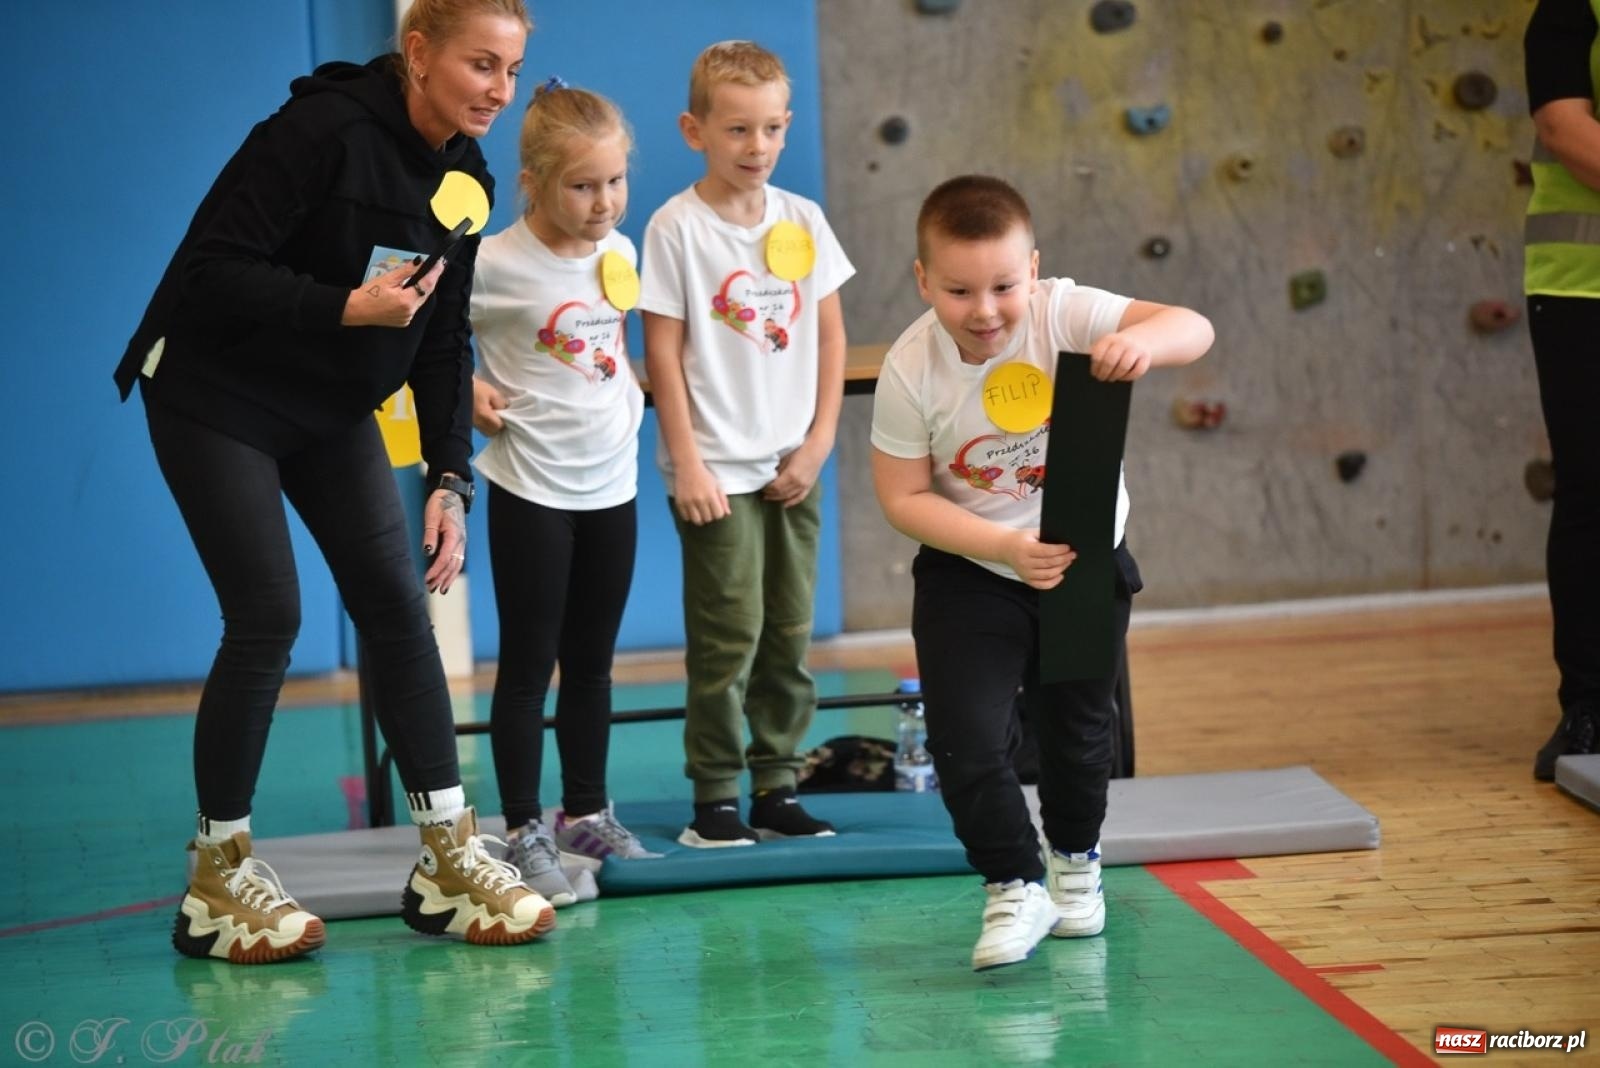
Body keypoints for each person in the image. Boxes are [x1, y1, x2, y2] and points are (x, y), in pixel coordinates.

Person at [113, 0, 551, 963]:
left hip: (326, 402)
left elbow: (443, 339)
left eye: (513, 71)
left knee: (398, 605)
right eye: (482, 65)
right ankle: (218, 877)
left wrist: (449, 479)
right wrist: (342, 307)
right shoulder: (320, 131)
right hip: (213, 388)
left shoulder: (465, 181)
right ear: (420, 50)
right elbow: (211, 272)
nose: (500, 91)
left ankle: (446, 857)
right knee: (268, 616)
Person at [870, 175, 1213, 970]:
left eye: (1003, 286)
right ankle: (1012, 884)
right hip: (971, 573)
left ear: (1035, 269)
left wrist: (1145, 342)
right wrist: (1000, 550)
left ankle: (1074, 870)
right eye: (958, 290)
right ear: (923, 281)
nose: (985, 310)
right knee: (967, 737)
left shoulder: (1062, 310)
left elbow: (1192, 325)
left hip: (1084, 564)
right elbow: (902, 496)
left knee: (1079, 731)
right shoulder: (909, 367)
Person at [638, 40, 855, 847]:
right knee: (729, 634)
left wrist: (817, 444)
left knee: (789, 631)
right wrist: (688, 460)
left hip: (792, 464)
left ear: (787, 128)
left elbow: (832, 340)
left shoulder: (805, 220)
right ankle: (716, 797)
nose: (754, 147)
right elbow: (661, 352)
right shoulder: (674, 229)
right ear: (695, 130)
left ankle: (777, 783)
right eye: (736, 131)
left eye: (768, 130)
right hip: (715, 471)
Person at [468, 78, 659, 907]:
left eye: (615, 182)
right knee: (528, 665)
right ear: (534, 181)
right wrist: (459, 394)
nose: (603, 201)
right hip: (532, 486)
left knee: (593, 664)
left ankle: (585, 811)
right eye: (583, 185)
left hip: (611, 483)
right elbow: (414, 339)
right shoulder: (492, 263)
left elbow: (611, 342)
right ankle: (521, 827)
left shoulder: (621, 254)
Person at [1523, 0, 1600, 781]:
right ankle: (1589, 707)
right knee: (1593, 493)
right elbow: (1565, 129)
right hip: (1585, 291)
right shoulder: (1572, 8)